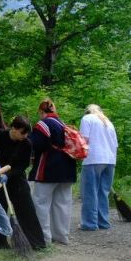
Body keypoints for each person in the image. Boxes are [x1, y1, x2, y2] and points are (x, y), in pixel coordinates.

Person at [0, 116, 46, 250]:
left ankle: (36, 242)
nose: (25, 136)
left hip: (17, 178)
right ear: (13, 129)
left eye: (27, 133)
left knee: (27, 209)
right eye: (23, 132)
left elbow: (23, 165)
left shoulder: (26, 144)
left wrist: (8, 175)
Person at [29, 99, 77, 245]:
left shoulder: (43, 124)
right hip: (67, 168)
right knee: (62, 203)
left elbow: (36, 144)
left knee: (41, 202)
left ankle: (44, 238)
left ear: (41, 111)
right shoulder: (63, 123)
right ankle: (62, 236)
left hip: (49, 168)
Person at [78, 104, 118, 230]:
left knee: (90, 192)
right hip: (110, 160)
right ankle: (103, 222)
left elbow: (83, 141)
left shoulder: (87, 119)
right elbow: (115, 145)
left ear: (87, 111)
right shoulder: (108, 122)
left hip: (93, 159)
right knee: (103, 192)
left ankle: (89, 223)